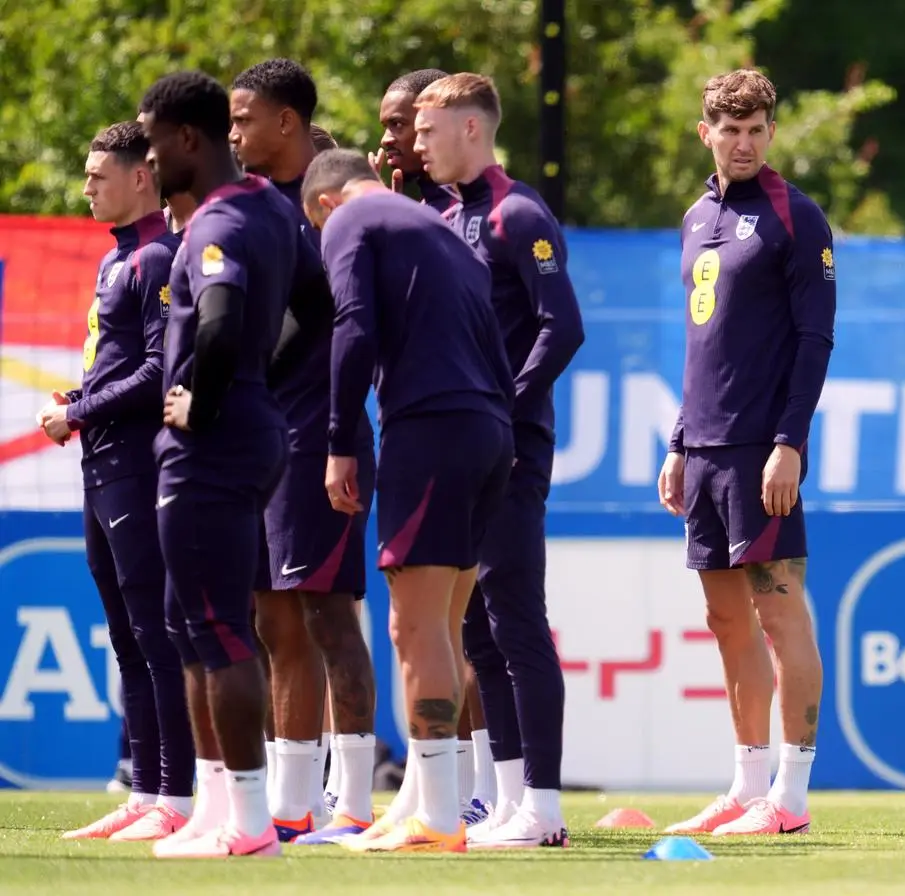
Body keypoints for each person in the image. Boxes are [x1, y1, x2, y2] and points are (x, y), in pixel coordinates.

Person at [300, 148, 515, 854]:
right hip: (489, 430)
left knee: (414, 628)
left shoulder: (350, 219)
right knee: (445, 627)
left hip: (431, 429)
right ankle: (428, 803)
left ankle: (440, 821)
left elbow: (353, 327)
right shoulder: (439, 228)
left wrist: (339, 439)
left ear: (326, 203)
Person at [137, 69, 311, 858]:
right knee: (191, 624)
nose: (146, 161)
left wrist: (207, 400)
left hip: (212, 445)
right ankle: (217, 808)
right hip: (251, 430)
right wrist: (259, 383)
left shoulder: (214, 226)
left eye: (151, 144)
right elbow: (318, 308)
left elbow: (216, 319)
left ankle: (247, 824)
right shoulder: (273, 209)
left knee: (216, 627)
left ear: (186, 141)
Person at [657, 69, 834, 837]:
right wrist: (677, 443)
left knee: (780, 613)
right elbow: (705, 343)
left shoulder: (798, 218)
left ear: (772, 131)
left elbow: (814, 338)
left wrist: (790, 443)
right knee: (726, 620)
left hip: (764, 449)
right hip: (704, 451)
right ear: (707, 133)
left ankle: (790, 799)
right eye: (730, 130)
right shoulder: (697, 217)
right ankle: (745, 785)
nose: (744, 142)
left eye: (757, 129)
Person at [414, 73, 583, 848]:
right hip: (460, 450)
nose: (418, 144)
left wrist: (504, 408)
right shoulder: (444, 214)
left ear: (472, 130)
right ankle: (512, 802)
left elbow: (563, 326)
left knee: (517, 622)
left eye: (429, 129)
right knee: (477, 629)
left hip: (510, 449)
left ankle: (544, 810)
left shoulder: (519, 212)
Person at [228, 57, 378, 845]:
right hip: (256, 441)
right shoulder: (244, 208)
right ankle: (291, 802)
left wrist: (340, 439)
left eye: (244, 117)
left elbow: (345, 329)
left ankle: (351, 803)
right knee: (268, 618)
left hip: (319, 440)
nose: (233, 133)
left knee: (327, 616)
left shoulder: (333, 217)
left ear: (286, 121)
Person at [49, 121, 194, 842]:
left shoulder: (159, 259)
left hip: (139, 466)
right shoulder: (118, 261)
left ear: (143, 177)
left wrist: (77, 409)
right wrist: (80, 412)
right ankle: (144, 788)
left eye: (98, 174)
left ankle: (179, 794)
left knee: (157, 634)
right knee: (126, 638)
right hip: (99, 464)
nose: (86, 187)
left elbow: (154, 372)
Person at [376, 65, 495, 822]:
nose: (396, 139)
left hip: (465, 432)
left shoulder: (485, 214)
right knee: (434, 624)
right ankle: (434, 794)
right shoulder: (407, 212)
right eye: (392, 126)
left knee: (466, 622)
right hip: (428, 427)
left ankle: (482, 793)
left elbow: (551, 325)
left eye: (408, 125)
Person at [372, 69, 457, 214]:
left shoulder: (480, 210)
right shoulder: (425, 208)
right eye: (386, 126)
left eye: (397, 124)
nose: (385, 140)